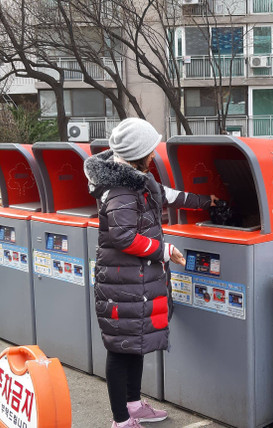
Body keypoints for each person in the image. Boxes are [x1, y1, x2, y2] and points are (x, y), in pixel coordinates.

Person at [84, 118, 216, 428]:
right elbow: (123, 237)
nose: (155, 156)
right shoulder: (120, 191)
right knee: (120, 350)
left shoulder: (137, 181)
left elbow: (168, 195)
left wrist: (204, 202)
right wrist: (165, 252)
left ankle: (133, 405)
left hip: (135, 281)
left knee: (136, 343)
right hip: (121, 283)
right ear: (138, 155)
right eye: (151, 151)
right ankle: (121, 421)